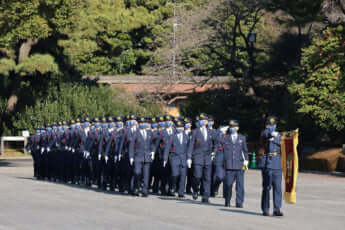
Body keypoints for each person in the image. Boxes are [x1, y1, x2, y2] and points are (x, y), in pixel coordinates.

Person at [217, 120, 249, 208]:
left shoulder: (242, 138)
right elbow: (218, 143)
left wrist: (246, 160)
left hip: (239, 165)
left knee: (240, 186)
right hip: (229, 165)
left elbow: (245, 150)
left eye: (234, 127)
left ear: (237, 128)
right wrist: (220, 132)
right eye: (231, 127)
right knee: (228, 184)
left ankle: (239, 202)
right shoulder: (225, 137)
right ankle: (227, 200)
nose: (233, 129)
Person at [259, 116, 284, 217]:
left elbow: (284, 144)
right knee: (267, 187)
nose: (271, 127)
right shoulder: (265, 133)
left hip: (277, 163)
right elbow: (265, 135)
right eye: (269, 125)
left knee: (277, 187)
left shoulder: (279, 135)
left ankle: (277, 209)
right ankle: (265, 209)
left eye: (273, 125)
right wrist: (271, 134)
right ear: (266, 125)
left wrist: (277, 137)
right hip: (267, 163)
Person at [187, 113, 214, 203]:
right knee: (197, 176)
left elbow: (214, 143)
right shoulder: (195, 132)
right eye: (201, 120)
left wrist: (213, 152)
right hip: (197, 157)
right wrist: (189, 157)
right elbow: (191, 145)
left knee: (207, 177)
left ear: (207, 122)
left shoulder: (210, 132)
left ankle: (206, 196)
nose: (203, 122)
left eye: (205, 120)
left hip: (207, 157)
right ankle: (195, 189)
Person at [129, 117, 156, 197]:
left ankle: (145, 190)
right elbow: (131, 145)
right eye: (141, 123)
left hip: (147, 156)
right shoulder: (135, 133)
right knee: (137, 173)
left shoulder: (149, 133)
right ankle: (136, 187)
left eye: (144, 123)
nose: (143, 124)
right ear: (139, 124)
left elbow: (152, 143)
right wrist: (131, 156)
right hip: (138, 156)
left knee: (146, 174)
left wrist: (153, 151)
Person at [163, 120, 190, 197]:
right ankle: (172, 188)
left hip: (183, 159)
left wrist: (189, 158)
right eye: (178, 127)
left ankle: (181, 192)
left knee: (183, 176)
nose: (180, 128)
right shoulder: (172, 137)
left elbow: (188, 148)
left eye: (181, 127)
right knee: (175, 174)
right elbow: (167, 148)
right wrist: (165, 158)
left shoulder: (187, 137)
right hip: (174, 158)